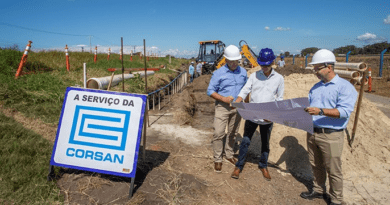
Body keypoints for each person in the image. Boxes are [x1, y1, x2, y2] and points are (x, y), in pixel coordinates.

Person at [300, 49, 358, 205]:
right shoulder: (316, 87)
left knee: (333, 170)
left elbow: (345, 112)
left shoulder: (345, 87)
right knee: (315, 164)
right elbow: (310, 107)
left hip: (331, 135)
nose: (315, 71)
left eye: (317, 68)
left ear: (329, 67)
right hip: (313, 132)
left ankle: (336, 199)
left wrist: (320, 111)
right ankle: (319, 191)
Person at [230, 48, 284, 181]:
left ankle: (263, 165)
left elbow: (279, 99)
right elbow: (245, 90)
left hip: (267, 118)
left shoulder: (279, 79)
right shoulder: (254, 76)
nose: (264, 67)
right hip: (252, 115)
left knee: (265, 143)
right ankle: (239, 166)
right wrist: (238, 100)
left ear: (272, 63)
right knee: (245, 142)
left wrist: (271, 115)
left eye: (266, 65)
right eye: (262, 64)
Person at [207, 45, 247, 173]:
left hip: (238, 107)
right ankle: (218, 159)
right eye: (231, 61)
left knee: (233, 132)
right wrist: (223, 99)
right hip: (222, 107)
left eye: (236, 61)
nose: (234, 63)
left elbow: (246, 89)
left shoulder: (243, 72)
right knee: (219, 133)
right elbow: (210, 91)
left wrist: (246, 103)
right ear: (226, 60)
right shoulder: (218, 73)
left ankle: (229, 154)